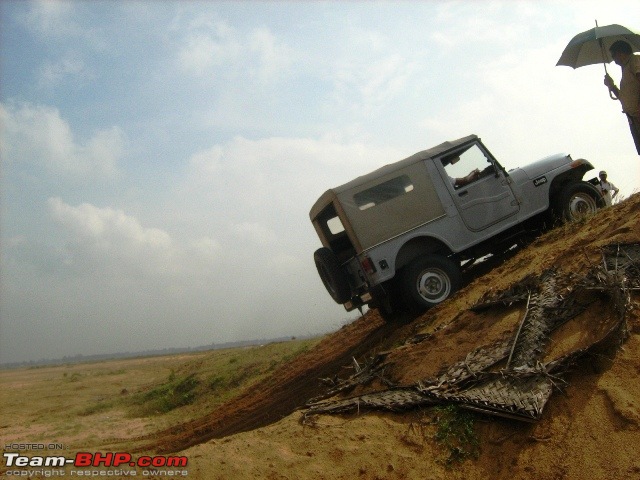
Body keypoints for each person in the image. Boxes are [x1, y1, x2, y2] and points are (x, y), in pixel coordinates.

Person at [603, 40, 640, 155]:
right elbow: (624, 98)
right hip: (633, 118)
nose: (613, 59)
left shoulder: (634, 60)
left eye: (613, 55)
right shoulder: (625, 70)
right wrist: (612, 86)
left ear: (620, 53)